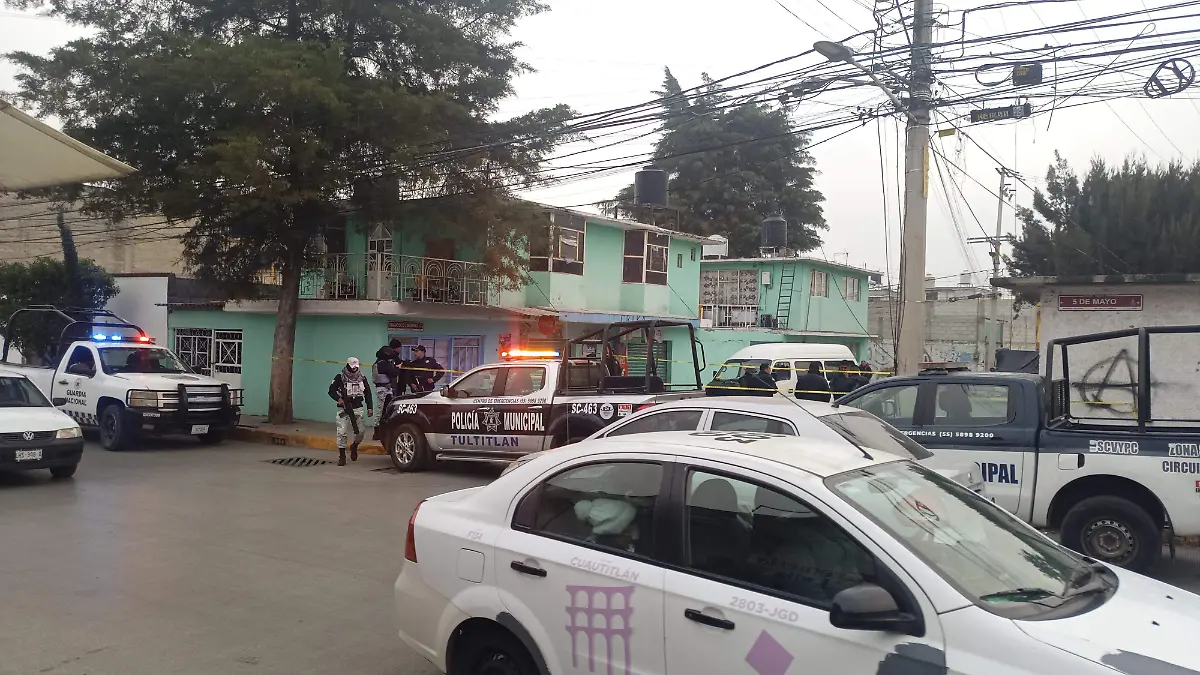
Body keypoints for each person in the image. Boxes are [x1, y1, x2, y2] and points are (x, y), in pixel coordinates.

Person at [328, 357, 373, 466]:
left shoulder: (362, 377)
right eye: (353, 367)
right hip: (343, 409)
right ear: (348, 365)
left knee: (360, 432)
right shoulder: (340, 377)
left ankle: (354, 446)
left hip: (358, 408)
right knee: (342, 432)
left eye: (356, 367)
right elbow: (331, 391)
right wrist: (339, 399)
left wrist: (370, 407)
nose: (354, 369)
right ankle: (342, 456)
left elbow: (367, 393)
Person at [373, 346, 402, 422]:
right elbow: (394, 373)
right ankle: (380, 425)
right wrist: (398, 367)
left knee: (381, 409)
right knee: (385, 409)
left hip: (381, 388)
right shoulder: (383, 363)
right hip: (384, 389)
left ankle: (379, 425)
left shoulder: (377, 363)